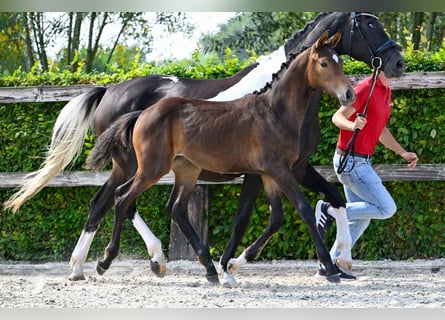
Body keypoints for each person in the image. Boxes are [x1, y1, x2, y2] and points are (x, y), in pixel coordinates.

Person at [315, 70, 419, 280]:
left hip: (361, 161)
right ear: (382, 65)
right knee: (386, 208)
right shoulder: (365, 88)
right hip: (351, 162)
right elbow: (337, 117)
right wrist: (352, 125)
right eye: (394, 62)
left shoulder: (386, 90)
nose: (399, 67)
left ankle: (330, 265)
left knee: (360, 220)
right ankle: (330, 210)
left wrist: (402, 152)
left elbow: (380, 130)